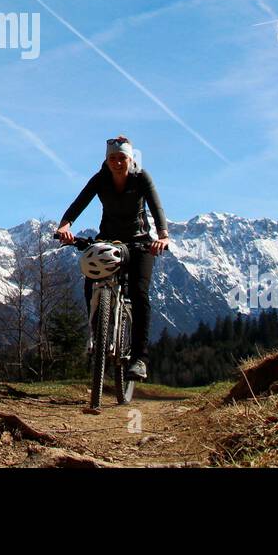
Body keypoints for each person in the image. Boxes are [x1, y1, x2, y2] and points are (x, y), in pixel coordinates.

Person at [55, 135, 169, 380]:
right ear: (106, 161)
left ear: (130, 159)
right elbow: (79, 202)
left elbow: (157, 207)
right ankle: (97, 334)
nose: (117, 163)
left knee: (139, 294)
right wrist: (65, 225)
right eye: (112, 158)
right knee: (90, 275)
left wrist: (163, 236)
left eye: (122, 158)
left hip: (139, 243)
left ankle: (139, 358)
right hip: (107, 240)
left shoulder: (141, 179)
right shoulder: (100, 180)